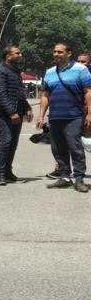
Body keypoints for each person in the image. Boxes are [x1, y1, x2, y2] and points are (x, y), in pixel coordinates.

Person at [38, 42, 91, 192]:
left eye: (60, 52)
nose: (56, 54)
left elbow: (88, 92)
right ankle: (64, 177)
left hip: (74, 116)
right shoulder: (49, 72)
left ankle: (79, 179)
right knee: (58, 148)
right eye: (54, 51)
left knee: (75, 148)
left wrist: (90, 114)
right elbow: (45, 95)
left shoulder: (81, 69)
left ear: (69, 53)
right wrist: (41, 116)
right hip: (55, 116)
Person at [0, 45, 32, 186]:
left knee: (13, 144)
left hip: (18, 112)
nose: (20, 55)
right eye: (17, 53)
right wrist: (11, 112)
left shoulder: (15, 72)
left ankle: (8, 171)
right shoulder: (1, 72)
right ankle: (1, 174)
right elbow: (1, 95)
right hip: (5, 114)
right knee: (6, 142)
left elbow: (19, 94)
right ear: (8, 56)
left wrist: (27, 107)